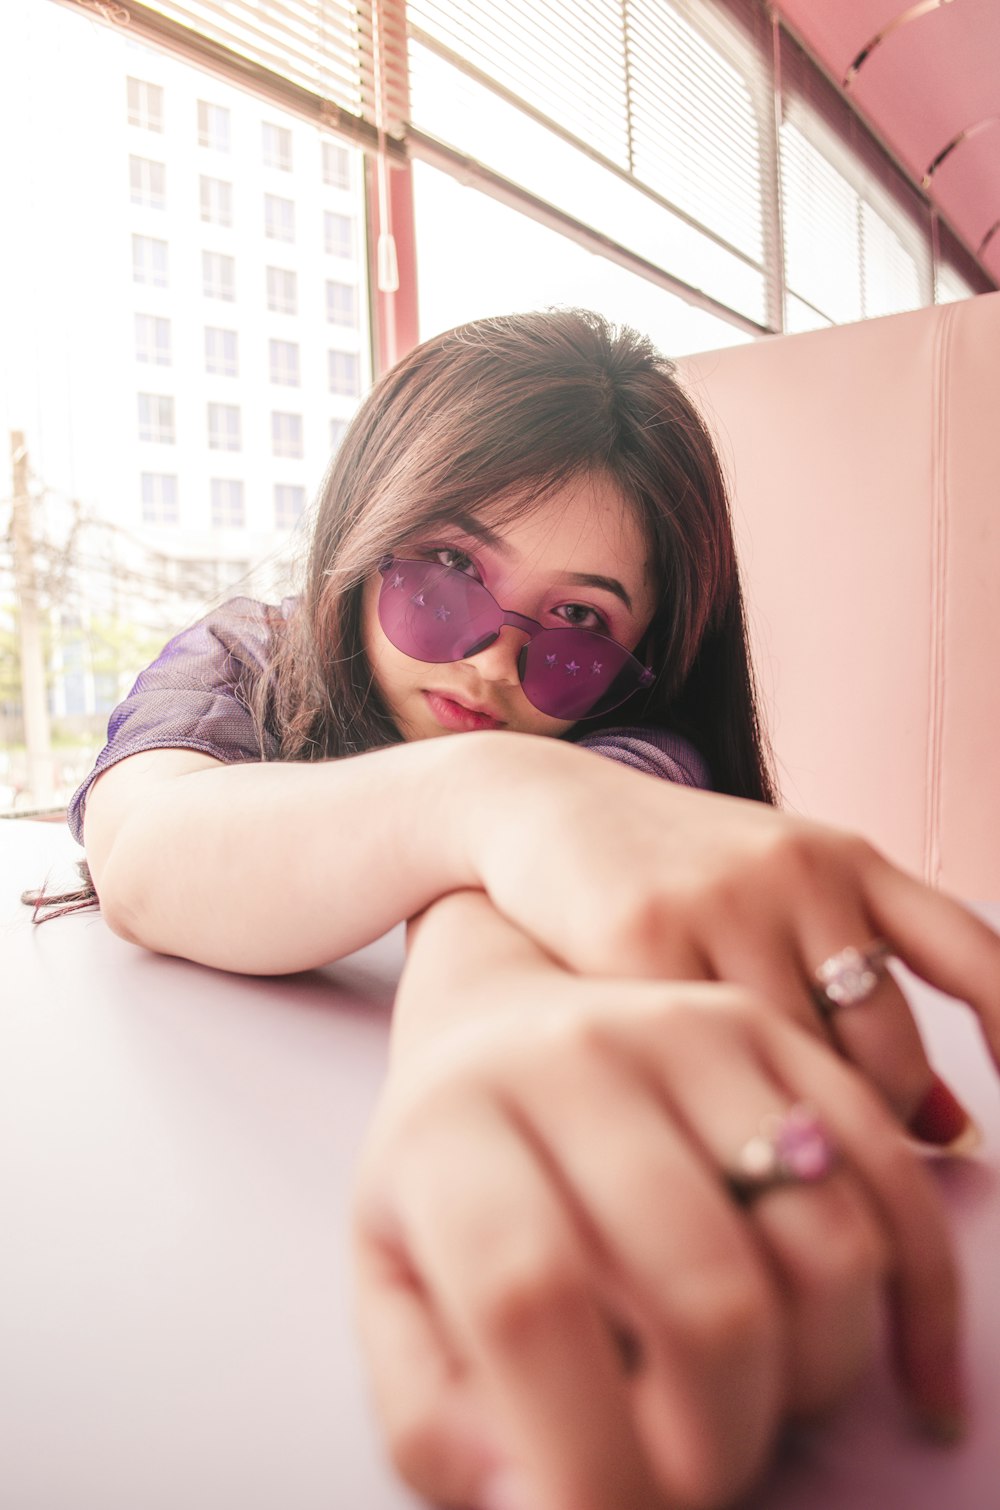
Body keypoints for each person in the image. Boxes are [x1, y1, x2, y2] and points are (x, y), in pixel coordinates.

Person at [48, 309, 999, 1507]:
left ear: (641, 655)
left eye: (579, 623)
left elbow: (509, 911)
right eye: (448, 571)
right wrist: (492, 792)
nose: (496, 663)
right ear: (365, 532)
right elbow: (143, 845)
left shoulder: (630, 744)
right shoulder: (246, 657)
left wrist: (483, 1016)